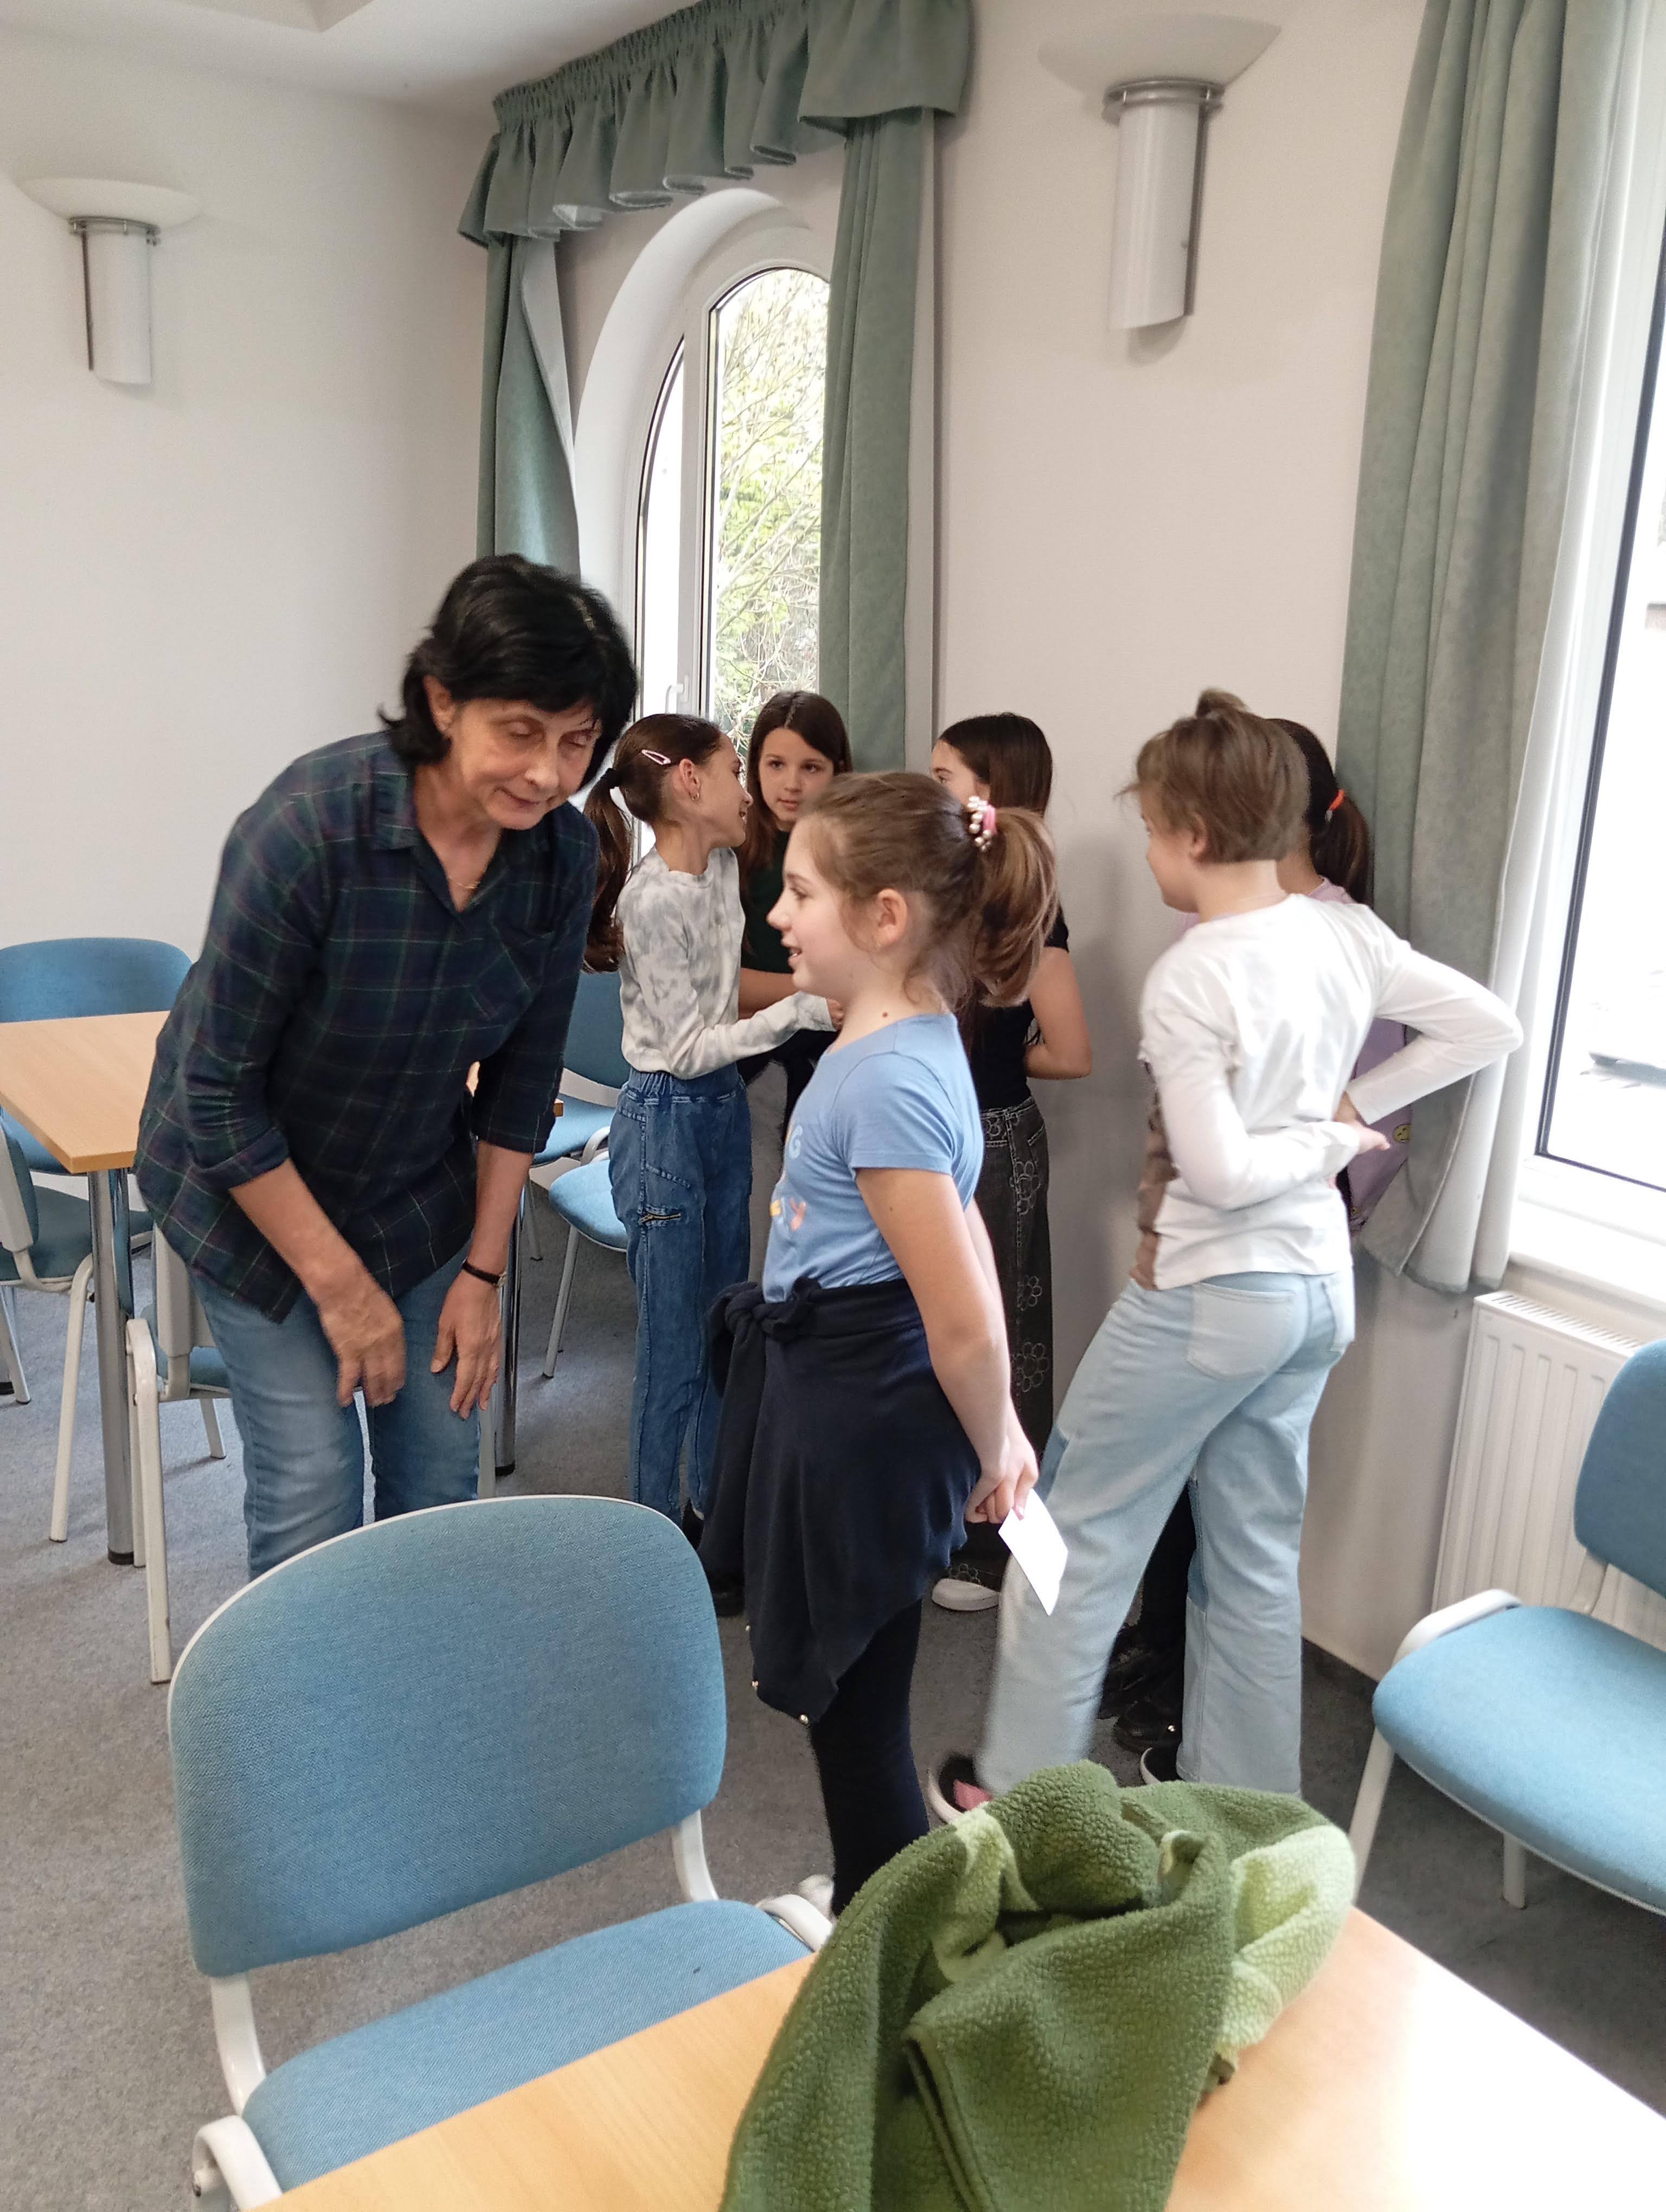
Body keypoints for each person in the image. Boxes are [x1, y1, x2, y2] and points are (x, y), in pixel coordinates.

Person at [930, 692, 1520, 1816]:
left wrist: (1334, 1133)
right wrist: (1355, 1108)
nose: (1149, 851)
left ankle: (1012, 1800)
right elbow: (1491, 1025)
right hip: (1313, 1300)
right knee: (1252, 1563)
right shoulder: (1346, 933)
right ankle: (1248, 1819)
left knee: (1069, 1541)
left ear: (1196, 835)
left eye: (1153, 830)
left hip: (1208, 1299)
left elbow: (1223, 1174)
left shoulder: (1197, 972)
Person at [135, 555, 637, 1577]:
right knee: (313, 1485)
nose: (548, 774)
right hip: (249, 1197)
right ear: (442, 701)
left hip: (411, 1190)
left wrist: (485, 1274)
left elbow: (522, 1085)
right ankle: (300, 1685)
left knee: (441, 1473)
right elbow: (216, 1099)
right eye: (520, 732)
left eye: (577, 742)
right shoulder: (310, 831)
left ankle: (413, 1674)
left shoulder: (559, 859)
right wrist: (341, 1289)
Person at [700, 772, 1055, 1915]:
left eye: (802, 892)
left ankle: (887, 1917)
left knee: (854, 1715)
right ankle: (881, 1895)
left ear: (886, 916)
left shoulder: (889, 1078)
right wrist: (998, 1432)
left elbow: (960, 1315)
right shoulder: (901, 1040)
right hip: (853, 1393)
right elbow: (965, 1248)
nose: (778, 914)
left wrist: (998, 1442)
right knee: (853, 1702)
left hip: (864, 1417)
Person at [1101, 716, 1413, 1761]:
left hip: (1255, 1277)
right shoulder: (1221, 930)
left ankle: (1195, 1716)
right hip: (1198, 1260)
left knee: (1218, 1512)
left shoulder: (1335, 942)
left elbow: (1369, 1129)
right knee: (1190, 1495)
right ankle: (1167, 1668)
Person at [584, 714, 831, 1553]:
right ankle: (656, 1538)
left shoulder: (723, 866)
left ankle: (712, 1518)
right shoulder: (650, 901)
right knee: (674, 1347)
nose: (749, 790)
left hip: (721, 1107)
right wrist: (804, 1009)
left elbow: (719, 1011)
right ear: (689, 783)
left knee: (725, 1326)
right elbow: (688, 1049)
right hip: (665, 1121)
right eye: (735, 770)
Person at [926, 713, 1092, 1613]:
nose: (932, 789)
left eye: (944, 776)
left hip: (996, 1141)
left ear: (989, 791)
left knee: (1002, 1337)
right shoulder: (944, 888)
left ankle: (996, 1546)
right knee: (940, 1331)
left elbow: (1071, 1051)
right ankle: (943, 1518)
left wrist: (996, 1054)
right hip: (945, 1134)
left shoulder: (1030, 908)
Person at [735, 692, 854, 1275]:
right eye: (776, 764)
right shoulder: (733, 850)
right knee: (759, 1243)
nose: (791, 784)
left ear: (839, 772)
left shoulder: (854, 853)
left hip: (835, 1066)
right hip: (751, 1065)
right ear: (754, 765)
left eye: (811, 767)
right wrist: (809, 997)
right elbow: (721, 988)